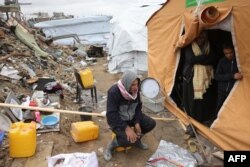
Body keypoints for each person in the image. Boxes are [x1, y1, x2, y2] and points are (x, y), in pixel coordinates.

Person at [104, 70, 156, 161]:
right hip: (118, 121)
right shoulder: (114, 92)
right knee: (128, 140)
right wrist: (127, 128)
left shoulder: (136, 92)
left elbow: (138, 108)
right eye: (132, 85)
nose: (136, 88)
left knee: (151, 123)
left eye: (137, 84)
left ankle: (137, 140)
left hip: (131, 118)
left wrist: (137, 122)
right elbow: (111, 115)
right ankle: (113, 144)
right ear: (126, 84)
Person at [182, 31, 215, 122]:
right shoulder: (190, 46)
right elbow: (191, 59)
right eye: (199, 38)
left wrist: (200, 59)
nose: (201, 40)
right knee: (192, 101)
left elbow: (212, 58)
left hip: (204, 79)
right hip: (190, 77)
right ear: (195, 38)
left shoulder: (208, 46)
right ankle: (192, 119)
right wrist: (205, 57)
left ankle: (201, 119)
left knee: (202, 100)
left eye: (203, 38)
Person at [214, 42, 243, 113]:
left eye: (230, 52)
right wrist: (232, 76)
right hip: (222, 91)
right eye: (226, 53)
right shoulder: (222, 61)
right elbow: (217, 76)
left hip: (233, 92)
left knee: (232, 111)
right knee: (219, 110)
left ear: (234, 51)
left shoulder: (239, 61)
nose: (229, 55)